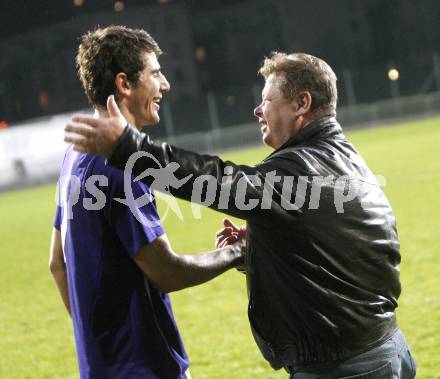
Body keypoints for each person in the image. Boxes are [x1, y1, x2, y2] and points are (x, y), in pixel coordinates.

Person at [64, 52, 417, 378]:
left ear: (301, 104)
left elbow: (213, 181)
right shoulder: (342, 154)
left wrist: (129, 148)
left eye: (266, 100)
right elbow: (333, 251)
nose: (257, 110)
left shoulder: (299, 170)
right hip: (385, 349)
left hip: (347, 368)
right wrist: (263, 250)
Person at [49, 26, 244, 379]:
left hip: (100, 369)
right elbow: (166, 271)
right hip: (146, 369)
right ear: (124, 84)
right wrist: (238, 253)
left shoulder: (74, 157)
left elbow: (57, 264)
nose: (165, 84)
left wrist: (100, 344)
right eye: (155, 73)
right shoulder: (122, 166)